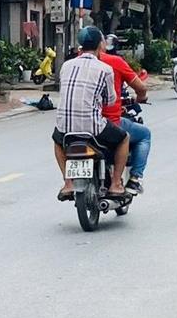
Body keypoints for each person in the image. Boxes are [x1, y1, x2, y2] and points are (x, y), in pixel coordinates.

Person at [54, 25, 128, 199]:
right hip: (93, 128)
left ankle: (68, 183)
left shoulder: (66, 65)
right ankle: (116, 184)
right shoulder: (105, 69)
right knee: (124, 139)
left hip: (65, 129)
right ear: (99, 45)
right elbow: (110, 101)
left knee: (57, 142)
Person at [97, 36, 151, 195]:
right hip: (106, 122)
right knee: (143, 135)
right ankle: (133, 179)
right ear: (101, 44)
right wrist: (140, 97)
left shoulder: (73, 63)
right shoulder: (113, 63)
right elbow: (140, 88)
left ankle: (69, 183)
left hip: (75, 124)